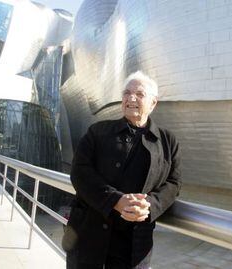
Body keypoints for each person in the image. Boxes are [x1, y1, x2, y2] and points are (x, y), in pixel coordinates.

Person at [63, 71, 181, 269]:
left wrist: (150, 205)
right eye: (127, 93)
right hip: (88, 237)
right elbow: (80, 172)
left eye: (140, 94)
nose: (131, 98)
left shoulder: (168, 141)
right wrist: (115, 201)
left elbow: (174, 183)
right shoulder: (97, 131)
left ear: (153, 103)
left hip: (135, 246)